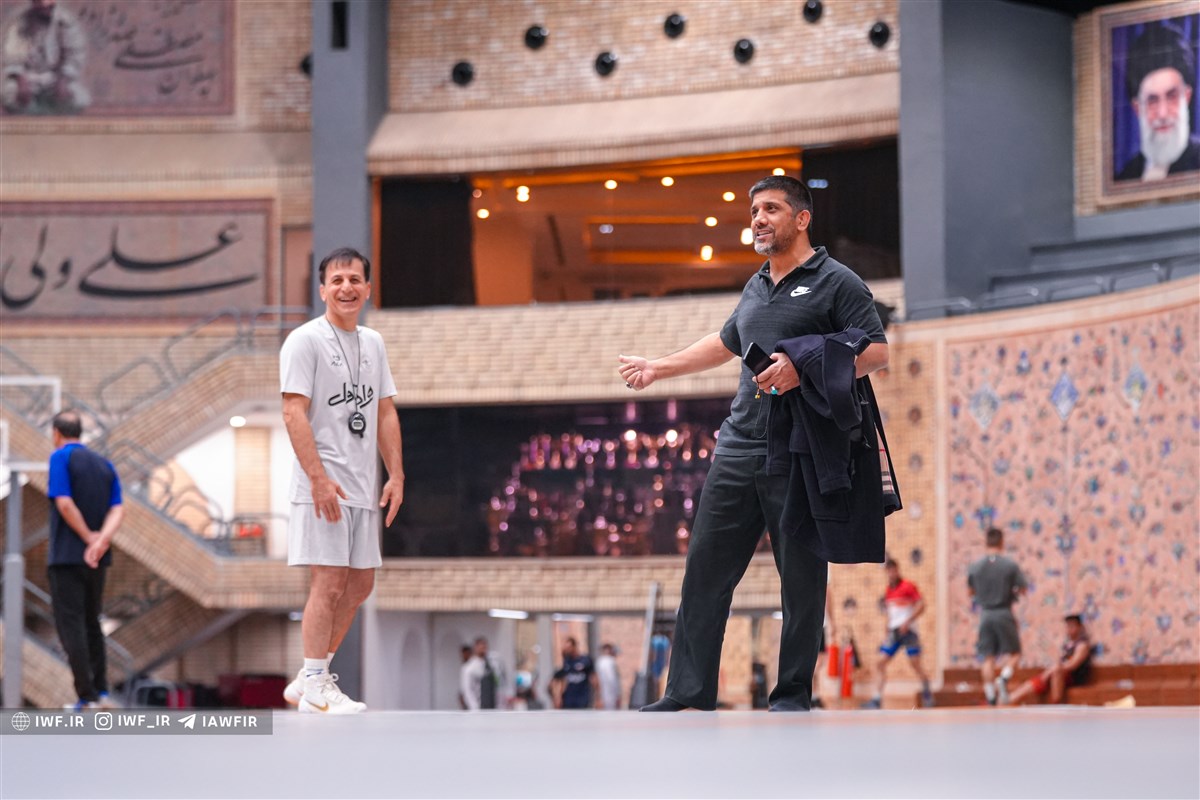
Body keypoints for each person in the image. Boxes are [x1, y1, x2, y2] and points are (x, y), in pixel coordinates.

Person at [618, 175, 888, 712]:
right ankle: (688, 692)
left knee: (801, 579)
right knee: (704, 571)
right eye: (754, 211)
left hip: (800, 450)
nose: (758, 219)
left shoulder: (838, 282)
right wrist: (658, 367)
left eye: (770, 209)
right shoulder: (756, 285)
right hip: (738, 445)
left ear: (802, 218)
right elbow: (726, 343)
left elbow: (877, 352)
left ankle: (792, 694)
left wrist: (804, 368)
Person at [279, 247, 405, 714]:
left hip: (362, 487)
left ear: (368, 288)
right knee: (329, 583)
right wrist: (317, 478)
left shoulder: (373, 343)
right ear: (322, 290)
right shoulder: (304, 341)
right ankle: (315, 686)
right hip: (324, 487)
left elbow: (384, 411)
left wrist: (395, 474)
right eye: (337, 280)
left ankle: (309, 676)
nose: (346, 288)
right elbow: (292, 411)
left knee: (359, 587)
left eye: (354, 279)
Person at [46, 410, 123, 711]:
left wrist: (88, 537)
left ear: (56, 433)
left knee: (72, 626)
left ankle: (86, 696)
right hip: (97, 560)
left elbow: (64, 503)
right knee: (93, 623)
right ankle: (101, 692)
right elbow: (118, 509)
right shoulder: (105, 464)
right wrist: (101, 541)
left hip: (67, 557)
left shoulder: (60, 458)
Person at [1115, 20, 1200, 182]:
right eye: (1152, 101)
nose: (1162, 113)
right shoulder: (1126, 176)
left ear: (1187, 96)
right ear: (1137, 107)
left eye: (1172, 97)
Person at [861, 559, 933, 709]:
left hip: (909, 631)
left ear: (897, 570)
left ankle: (927, 693)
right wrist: (886, 628)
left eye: (893, 570)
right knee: (880, 663)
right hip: (894, 632)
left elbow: (921, 604)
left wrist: (908, 621)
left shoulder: (908, 586)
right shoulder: (888, 590)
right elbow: (890, 613)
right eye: (888, 571)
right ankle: (877, 698)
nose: (891, 574)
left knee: (915, 664)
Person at [968, 527, 1028, 705]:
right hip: (1003, 612)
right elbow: (1023, 589)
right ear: (1002, 542)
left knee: (988, 656)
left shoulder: (975, 567)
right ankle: (1003, 677)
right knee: (1015, 653)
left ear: (986, 542)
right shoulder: (1009, 566)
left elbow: (970, 592)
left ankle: (990, 695)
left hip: (985, 614)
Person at [1, 0, 90, 114]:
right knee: (8, 96)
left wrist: (63, 80)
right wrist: (21, 81)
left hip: (55, 78)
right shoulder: (20, 20)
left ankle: (43, 109)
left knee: (81, 99)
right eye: (40, 8)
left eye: (48, 8)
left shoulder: (66, 21)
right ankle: (38, 111)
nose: (45, 12)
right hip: (28, 77)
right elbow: (12, 55)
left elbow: (74, 55)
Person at [1004, 614, 1093, 706]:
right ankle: (1010, 699)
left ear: (1079, 627)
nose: (1069, 629)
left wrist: (1054, 669)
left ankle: (1056, 703)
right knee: (1049, 674)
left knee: (1055, 671)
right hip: (1060, 676)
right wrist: (1053, 669)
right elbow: (1061, 661)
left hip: (1075, 677)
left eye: (1072, 626)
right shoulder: (1067, 644)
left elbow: (1073, 665)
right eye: (1068, 626)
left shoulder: (1082, 645)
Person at [460, 636, 506, 710]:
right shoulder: (469, 668)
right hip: (479, 706)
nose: (483, 649)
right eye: (480, 647)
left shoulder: (493, 664)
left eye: (484, 647)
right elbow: (467, 690)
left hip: (495, 706)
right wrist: (475, 708)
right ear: (475, 648)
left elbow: (499, 684)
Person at [551, 637, 598, 709]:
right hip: (568, 700)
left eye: (569, 647)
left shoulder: (585, 660)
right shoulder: (566, 662)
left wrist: (598, 698)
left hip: (582, 698)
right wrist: (558, 697)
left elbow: (593, 679)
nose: (567, 650)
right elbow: (561, 680)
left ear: (574, 646)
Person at [812, 581, 835, 708]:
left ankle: (815, 695)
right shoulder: (825, 587)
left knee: (818, 661)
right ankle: (814, 695)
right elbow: (829, 606)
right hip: (819, 625)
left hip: (816, 625)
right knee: (819, 661)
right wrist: (833, 623)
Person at [595, 642, 622, 710]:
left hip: (604, 695)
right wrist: (618, 695)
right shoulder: (609, 661)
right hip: (609, 695)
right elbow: (612, 680)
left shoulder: (600, 661)